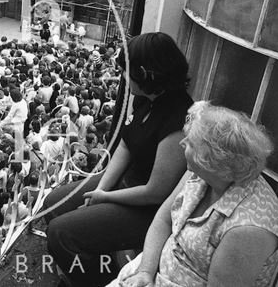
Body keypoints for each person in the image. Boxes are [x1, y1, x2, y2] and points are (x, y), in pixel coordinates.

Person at [44, 32, 193, 286]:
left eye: (127, 70)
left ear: (146, 74)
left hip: (146, 207)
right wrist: (100, 188)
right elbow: (127, 143)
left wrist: (105, 197)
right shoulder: (145, 98)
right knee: (54, 203)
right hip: (125, 182)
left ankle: (97, 279)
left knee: (60, 234)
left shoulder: (179, 120)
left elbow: (155, 193)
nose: (124, 76)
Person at [109, 102, 278, 287]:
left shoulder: (249, 229)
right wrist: (145, 272)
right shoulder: (200, 174)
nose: (182, 143)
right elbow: (163, 220)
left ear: (213, 161)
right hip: (149, 272)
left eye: (191, 144)